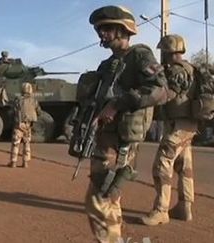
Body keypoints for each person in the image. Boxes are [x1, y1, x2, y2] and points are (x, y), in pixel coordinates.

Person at [84, 6, 168, 242]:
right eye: (100, 29)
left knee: (98, 200)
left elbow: (160, 89)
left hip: (120, 141)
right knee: (110, 199)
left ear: (123, 30)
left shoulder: (139, 55)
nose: (101, 34)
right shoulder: (108, 64)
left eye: (107, 28)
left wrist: (117, 104)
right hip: (105, 138)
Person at [141, 34, 198, 226]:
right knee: (184, 166)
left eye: (163, 52)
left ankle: (161, 210)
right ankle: (184, 207)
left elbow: (167, 95)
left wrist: (144, 99)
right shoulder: (189, 68)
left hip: (180, 125)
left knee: (162, 162)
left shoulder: (177, 71)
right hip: (185, 124)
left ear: (167, 51)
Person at [8, 82, 41, 168]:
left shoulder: (18, 100)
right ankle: (25, 162)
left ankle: (13, 162)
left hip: (18, 124)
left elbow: (13, 111)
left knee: (16, 143)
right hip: (28, 125)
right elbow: (39, 111)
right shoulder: (34, 100)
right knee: (26, 143)